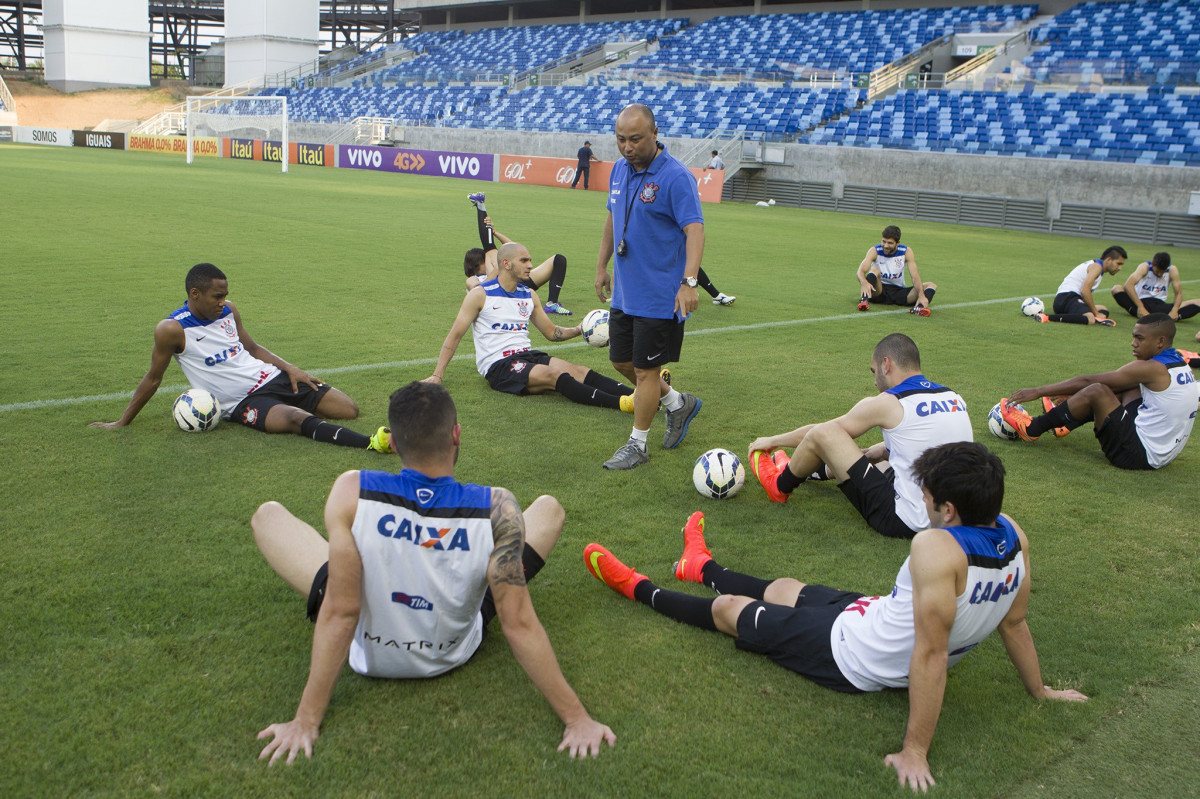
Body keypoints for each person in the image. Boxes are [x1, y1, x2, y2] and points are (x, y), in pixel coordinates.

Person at [583, 441, 1087, 793]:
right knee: (786, 589)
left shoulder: (936, 549)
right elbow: (1013, 623)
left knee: (731, 612)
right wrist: (1039, 691)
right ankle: (702, 565)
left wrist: (915, 751)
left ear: (949, 510)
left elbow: (930, 655)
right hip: (877, 615)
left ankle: (637, 587)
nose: (923, 504)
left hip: (855, 654)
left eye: (928, 499)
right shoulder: (1013, 536)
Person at [254, 381, 616, 763]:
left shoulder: (351, 489)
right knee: (548, 508)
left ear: (392, 443)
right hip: (455, 648)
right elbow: (519, 623)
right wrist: (577, 720)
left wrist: (305, 722)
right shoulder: (498, 506)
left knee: (268, 516)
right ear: (456, 435)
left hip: (371, 655)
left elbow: (342, 611)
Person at [90, 262, 390, 452]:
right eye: (216, 297)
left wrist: (290, 368)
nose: (223, 302)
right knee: (297, 420)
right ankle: (369, 444)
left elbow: (254, 348)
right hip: (242, 403)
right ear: (195, 294)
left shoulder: (229, 311)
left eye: (224, 295)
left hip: (271, 378)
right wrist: (121, 422)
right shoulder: (172, 330)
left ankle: (290, 396)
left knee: (348, 408)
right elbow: (153, 378)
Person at [747, 333, 972, 539]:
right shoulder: (953, 397)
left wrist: (773, 440)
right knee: (877, 462)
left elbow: (821, 432)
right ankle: (803, 471)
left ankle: (779, 485)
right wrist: (883, 450)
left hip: (906, 522)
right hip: (952, 517)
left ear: (886, 365)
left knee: (827, 434)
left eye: (874, 372)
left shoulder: (890, 402)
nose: (875, 382)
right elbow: (930, 443)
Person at [594, 102, 705, 470]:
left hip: (660, 296)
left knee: (645, 372)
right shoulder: (618, 171)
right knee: (621, 361)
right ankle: (677, 403)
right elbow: (612, 218)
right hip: (626, 291)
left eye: (636, 139)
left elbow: (695, 230)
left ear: (655, 134)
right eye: (621, 140)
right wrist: (601, 265)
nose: (627, 147)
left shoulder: (676, 177)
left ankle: (637, 445)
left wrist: (689, 283)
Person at [429, 241, 635, 412]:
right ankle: (623, 404)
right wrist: (437, 376)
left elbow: (551, 332)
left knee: (578, 370)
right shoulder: (481, 294)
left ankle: (639, 394)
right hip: (499, 366)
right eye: (524, 260)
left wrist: (579, 329)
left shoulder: (529, 295)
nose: (530, 265)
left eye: (530, 260)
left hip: (527, 356)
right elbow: (454, 336)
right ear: (506, 264)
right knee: (554, 375)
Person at [1000, 313, 1198, 470]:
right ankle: (1065, 422)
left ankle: (1033, 428)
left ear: (1161, 342)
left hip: (1137, 456)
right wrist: (1076, 396)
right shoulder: (1180, 365)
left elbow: (1089, 381)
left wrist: (1037, 391)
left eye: (1139, 338)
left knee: (1097, 390)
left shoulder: (1151, 369)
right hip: (1163, 453)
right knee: (1124, 387)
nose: (1133, 343)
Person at [466, 193, 572, 315]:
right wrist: (496, 270)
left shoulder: (492, 262)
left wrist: (494, 232)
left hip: (520, 277)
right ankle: (480, 205)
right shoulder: (473, 279)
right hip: (505, 285)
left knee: (559, 259)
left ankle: (552, 303)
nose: (487, 260)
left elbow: (513, 247)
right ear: (476, 266)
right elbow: (479, 289)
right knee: (490, 248)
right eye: (483, 260)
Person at [1031, 246, 1125, 326]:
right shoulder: (1097, 267)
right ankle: (1046, 317)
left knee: (1103, 309)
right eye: (1118, 263)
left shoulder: (1097, 267)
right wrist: (1095, 313)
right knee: (1090, 319)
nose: (1120, 268)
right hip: (1067, 298)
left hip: (1068, 299)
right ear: (1108, 260)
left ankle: (1079, 316)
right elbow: (1085, 291)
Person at [856, 225, 936, 316]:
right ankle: (864, 301)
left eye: (890, 243)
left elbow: (915, 277)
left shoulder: (906, 252)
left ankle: (919, 308)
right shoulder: (874, 251)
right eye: (883, 241)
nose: (886, 245)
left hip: (899, 292)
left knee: (931, 285)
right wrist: (863, 282)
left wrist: (921, 296)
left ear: (898, 243)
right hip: (879, 291)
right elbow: (860, 271)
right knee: (874, 270)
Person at [1111, 251, 1200, 322]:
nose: (1160, 274)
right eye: (1157, 271)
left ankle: (1153, 316)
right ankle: (1162, 317)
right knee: (1116, 288)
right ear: (1153, 264)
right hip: (1140, 301)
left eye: (1162, 272)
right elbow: (1128, 285)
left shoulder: (1172, 270)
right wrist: (1140, 307)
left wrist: (1175, 310)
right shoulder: (1144, 267)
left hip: (1159, 305)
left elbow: (1178, 293)